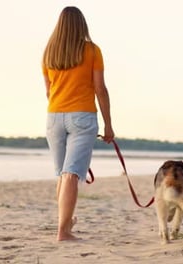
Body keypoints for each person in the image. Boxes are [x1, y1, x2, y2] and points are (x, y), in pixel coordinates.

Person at [42, 6, 114, 241]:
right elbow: (100, 89)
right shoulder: (92, 51)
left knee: (63, 175)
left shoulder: (48, 53)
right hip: (82, 116)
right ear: (81, 25)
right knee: (71, 174)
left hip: (54, 117)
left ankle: (66, 224)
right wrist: (109, 125)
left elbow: (49, 91)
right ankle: (63, 231)